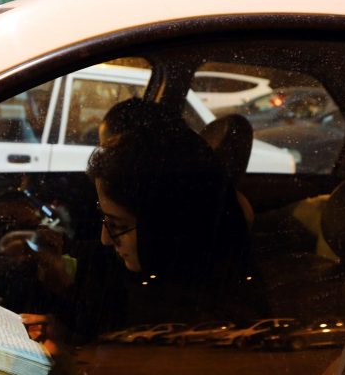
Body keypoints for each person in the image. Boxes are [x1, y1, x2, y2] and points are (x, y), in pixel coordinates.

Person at [86, 113, 266, 326]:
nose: (105, 239)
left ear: (166, 226)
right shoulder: (189, 279)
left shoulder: (204, 317)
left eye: (119, 224)